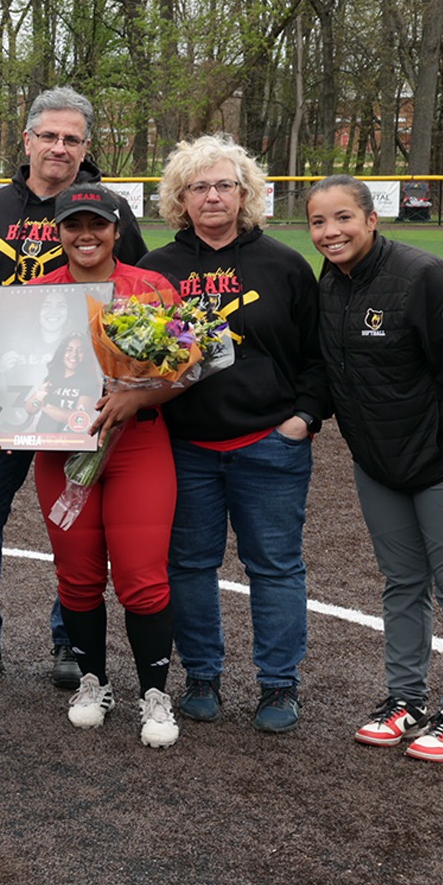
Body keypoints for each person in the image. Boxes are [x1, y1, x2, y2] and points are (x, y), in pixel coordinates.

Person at [0, 86, 146, 689]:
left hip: (80, 399)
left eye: (72, 138)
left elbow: (134, 295)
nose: (59, 147)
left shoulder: (112, 211)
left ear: (85, 147)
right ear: (26, 140)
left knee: (74, 518)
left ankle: (70, 640)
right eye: (48, 136)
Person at [306, 175, 443, 762]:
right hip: (381, 464)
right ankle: (406, 700)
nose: (330, 232)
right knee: (402, 584)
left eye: (343, 218)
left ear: (372, 219)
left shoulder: (425, 276)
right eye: (319, 222)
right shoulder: (332, 281)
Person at [0, 183, 181, 748]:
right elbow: (15, 381)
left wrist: (137, 397)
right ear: (58, 232)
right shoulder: (35, 296)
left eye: (97, 225)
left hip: (137, 446)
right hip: (61, 453)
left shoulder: (150, 288)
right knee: (79, 577)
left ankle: (154, 694)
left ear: (117, 230)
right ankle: (93, 682)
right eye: (73, 225)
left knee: (141, 578)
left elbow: (184, 372)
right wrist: (2, 430)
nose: (85, 235)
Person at [143, 135, 326, 734]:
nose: (213, 196)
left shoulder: (284, 264)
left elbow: (318, 355)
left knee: (274, 566)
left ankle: (279, 684)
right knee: (189, 564)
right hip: (185, 447)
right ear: (181, 198)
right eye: (199, 187)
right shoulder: (156, 270)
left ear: (245, 194)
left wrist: (302, 419)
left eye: (224, 185)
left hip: (268, 443)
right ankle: (202, 673)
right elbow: (134, 363)